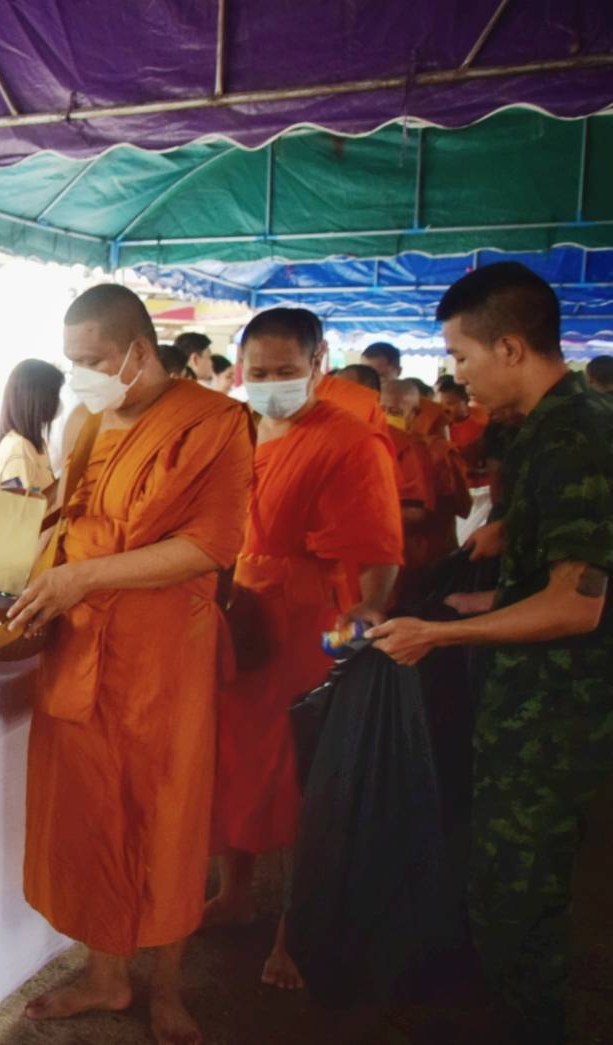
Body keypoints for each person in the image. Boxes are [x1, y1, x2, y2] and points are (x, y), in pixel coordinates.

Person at [370, 262, 613, 1043]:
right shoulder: (554, 425)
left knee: (520, 896)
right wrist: (498, 571)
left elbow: (577, 603)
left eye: (462, 357)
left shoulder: (571, 435)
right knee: (509, 884)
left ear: (509, 346)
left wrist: (441, 633)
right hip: (533, 700)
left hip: (554, 709)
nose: (457, 374)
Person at [6, 285, 252, 1045]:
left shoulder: (213, 423)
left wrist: (83, 577)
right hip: (80, 649)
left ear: (137, 353)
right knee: (89, 818)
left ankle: (169, 987)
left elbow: (209, 546)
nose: (77, 374)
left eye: (90, 360)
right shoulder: (85, 419)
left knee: (164, 818)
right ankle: (107, 977)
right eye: (70, 359)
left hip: (160, 661)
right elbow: (70, 513)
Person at [206, 307, 403, 990]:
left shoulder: (350, 441)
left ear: (318, 366)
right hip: (237, 615)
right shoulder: (234, 429)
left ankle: (294, 930)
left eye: (285, 372)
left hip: (307, 625)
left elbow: (379, 551)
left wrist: (362, 617)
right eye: (256, 372)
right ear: (239, 370)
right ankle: (234, 895)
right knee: (232, 763)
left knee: (297, 781)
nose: (269, 384)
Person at [383, 378, 468, 603]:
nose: (387, 417)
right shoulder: (367, 444)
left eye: (394, 411)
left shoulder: (425, 450)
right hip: (383, 561)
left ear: (417, 413)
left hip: (419, 559)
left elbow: (424, 511)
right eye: (382, 410)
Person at [0, 360, 64, 494]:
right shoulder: (18, 447)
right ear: (38, 399)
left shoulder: (33, 441)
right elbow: (26, 508)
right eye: (55, 395)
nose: (59, 402)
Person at [361, 340, 447, 437]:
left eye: (380, 376)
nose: (372, 383)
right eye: (366, 377)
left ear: (398, 371)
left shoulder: (431, 412)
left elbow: (442, 449)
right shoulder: (357, 406)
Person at [435, 374, 489, 473]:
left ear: (465, 402)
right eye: (441, 404)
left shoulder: (480, 429)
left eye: (450, 403)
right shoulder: (440, 428)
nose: (445, 408)